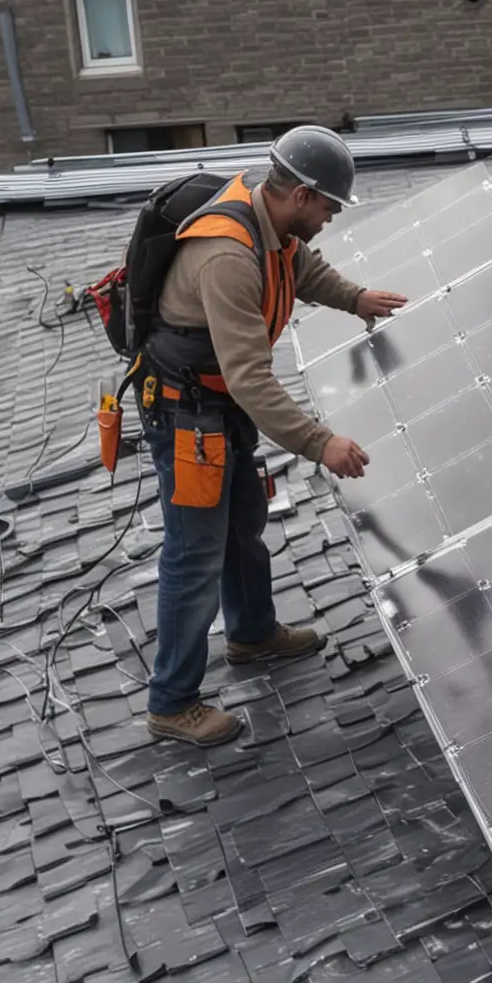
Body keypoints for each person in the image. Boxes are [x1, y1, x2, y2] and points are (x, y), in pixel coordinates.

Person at [138, 127, 407, 747]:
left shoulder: (271, 222)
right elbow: (252, 379)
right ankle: (172, 702)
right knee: (195, 552)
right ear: (301, 193)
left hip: (217, 407)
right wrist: (319, 443)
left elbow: (299, 266)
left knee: (242, 523)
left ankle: (252, 633)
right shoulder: (228, 256)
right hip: (188, 417)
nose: (333, 216)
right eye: (329, 206)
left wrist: (354, 297)